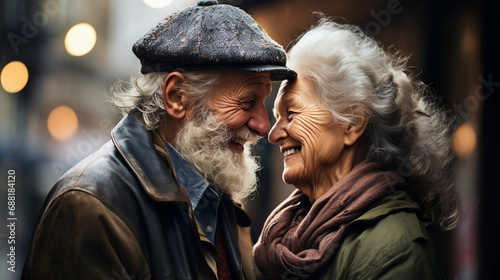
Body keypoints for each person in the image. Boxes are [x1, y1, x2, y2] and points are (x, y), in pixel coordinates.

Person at [21, 1, 296, 279]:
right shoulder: (88, 205)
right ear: (177, 97)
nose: (263, 126)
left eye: (262, 102)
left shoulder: (217, 199)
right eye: (247, 102)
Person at [253, 18, 460, 280]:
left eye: (291, 114)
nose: (273, 134)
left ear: (352, 123)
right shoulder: (290, 232)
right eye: (276, 117)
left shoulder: (395, 249)